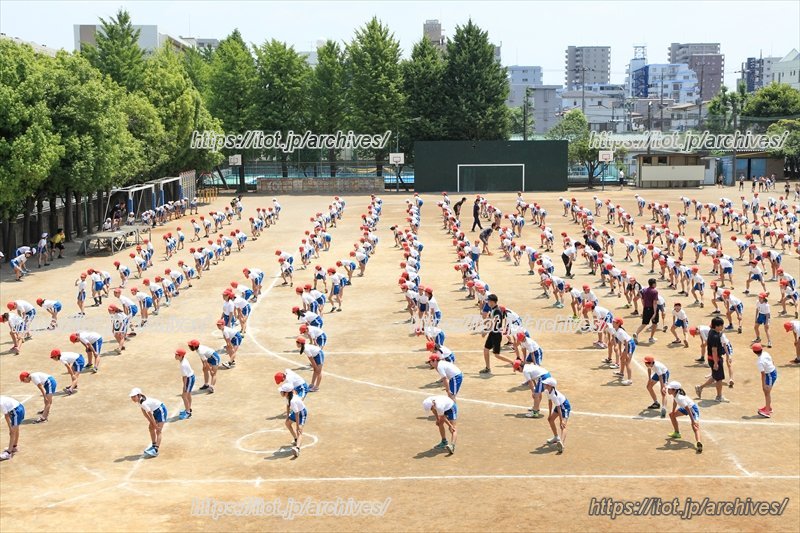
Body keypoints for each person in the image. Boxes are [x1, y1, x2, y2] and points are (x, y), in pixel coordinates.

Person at [480, 294, 515, 374]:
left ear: (492, 302)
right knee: (486, 349)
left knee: (497, 355)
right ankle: (487, 368)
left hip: (496, 335)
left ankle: (514, 362)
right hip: (493, 333)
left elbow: (494, 324)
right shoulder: (493, 309)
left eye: (488, 301)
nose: (487, 302)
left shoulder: (497, 311)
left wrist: (486, 331)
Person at [695, 317, 726, 402]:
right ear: (717, 326)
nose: (722, 327)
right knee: (719, 379)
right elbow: (714, 350)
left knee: (715, 376)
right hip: (715, 359)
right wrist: (716, 363)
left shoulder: (711, 332)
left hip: (710, 358)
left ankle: (700, 387)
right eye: (721, 325)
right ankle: (719, 396)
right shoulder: (715, 336)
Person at [666, 381, 703, 453]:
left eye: (669, 389)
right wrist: (673, 412)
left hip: (692, 410)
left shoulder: (680, 398)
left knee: (695, 427)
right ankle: (677, 433)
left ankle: (699, 443)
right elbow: (675, 402)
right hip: (686, 408)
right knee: (671, 415)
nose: (668, 390)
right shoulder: (675, 394)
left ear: (674, 390)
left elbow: (688, 409)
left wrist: (693, 421)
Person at [129, 388, 166, 457]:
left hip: (161, 410)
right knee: (151, 428)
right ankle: (153, 445)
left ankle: (155, 450)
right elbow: (145, 414)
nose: (132, 398)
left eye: (134, 396)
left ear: (139, 395)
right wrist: (152, 423)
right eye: (132, 397)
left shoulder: (143, 403)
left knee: (158, 431)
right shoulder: (139, 402)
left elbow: (150, 414)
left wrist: (155, 425)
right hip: (155, 411)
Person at [542, 377, 570, 453]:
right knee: (550, 419)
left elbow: (559, 408)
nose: (544, 385)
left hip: (565, 406)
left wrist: (561, 420)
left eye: (546, 384)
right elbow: (550, 402)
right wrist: (549, 414)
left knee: (563, 425)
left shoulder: (555, 395)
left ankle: (561, 444)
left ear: (550, 386)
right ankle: (556, 437)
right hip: (559, 406)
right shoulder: (547, 391)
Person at [752, 343, 776, 418]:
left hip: (769, 375)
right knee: (767, 392)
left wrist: (763, 385)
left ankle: (767, 411)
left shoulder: (759, 362)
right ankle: (768, 407)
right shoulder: (766, 353)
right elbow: (772, 361)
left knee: (767, 392)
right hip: (772, 372)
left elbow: (763, 374)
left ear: (754, 352)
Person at [281, 387, 307, 458]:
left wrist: (297, 426)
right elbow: (287, 406)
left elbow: (297, 413)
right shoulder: (288, 397)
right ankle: (296, 439)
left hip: (301, 413)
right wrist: (287, 417)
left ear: (286, 393)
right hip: (297, 412)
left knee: (299, 431)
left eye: (282, 391)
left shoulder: (292, 401)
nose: (281, 393)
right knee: (287, 423)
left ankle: (297, 448)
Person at [634, 278, 659, 344]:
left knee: (644, 323)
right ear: (653, 284)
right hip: (652, 309)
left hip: (646, 308)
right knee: (654, 324)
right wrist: (655, 312)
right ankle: (651, 338)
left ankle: (636, 333)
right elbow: (654, 303)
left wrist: (644, 307)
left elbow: (642, 298)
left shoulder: (644, 290)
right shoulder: (655, 291)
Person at [0, 396, 24, 461]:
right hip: (18, 408)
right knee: (16, 429)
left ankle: (8, 453)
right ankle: (14, 447)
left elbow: (6, 416)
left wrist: (10, 427)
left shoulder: (1, 403)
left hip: (16, 411)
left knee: (12, 432)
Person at [175, 348, 195, 420]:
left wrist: (184, 386)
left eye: (176, 354)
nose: (175, 355)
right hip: (191, 377)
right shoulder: (184, 360)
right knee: (188, 394)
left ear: (180, 356)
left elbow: (185, 377)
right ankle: (188, 408)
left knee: (184, 396)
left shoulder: (183, 365)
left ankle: (188, 412)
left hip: (189, 379)